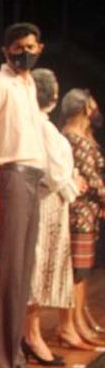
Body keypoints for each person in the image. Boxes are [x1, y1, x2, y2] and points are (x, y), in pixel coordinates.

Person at [0, 22, 50, 368]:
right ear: (6, 50)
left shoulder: (28, 85)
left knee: (22, 272)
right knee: (6, 271)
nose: (26, 52)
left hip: (31, 177)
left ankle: (15, 355)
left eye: (32, 46)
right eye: (19, 47)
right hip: (10, 177)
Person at [23, 69, 78, 366]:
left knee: (43, 269)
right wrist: (73, 185)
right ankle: (31, 335)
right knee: (36, 266)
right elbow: (54, 172)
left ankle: (32, 334)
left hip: (54, 203)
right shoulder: (40, 127)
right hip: (44, 204)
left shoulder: (46, 126)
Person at [60, 88, 105, 348]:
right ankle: (71, 324)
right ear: (83, 107)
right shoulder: (73, 137)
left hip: (89, 212)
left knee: (84, 271)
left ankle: (80, 319)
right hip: (79, 213)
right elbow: (90, 175)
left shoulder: (84, 136)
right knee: (78, 271)